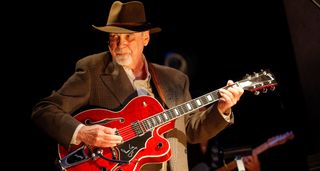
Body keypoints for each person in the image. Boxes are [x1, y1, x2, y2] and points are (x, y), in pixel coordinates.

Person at [31, 1, 244, 171]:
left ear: (145, 38)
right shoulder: (93, 69)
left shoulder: (175, 79)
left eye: (128, 37)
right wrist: (83, 132)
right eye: (114, 37)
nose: (120, 44)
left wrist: (221, 109)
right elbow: (44, 110)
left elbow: (191, 131)